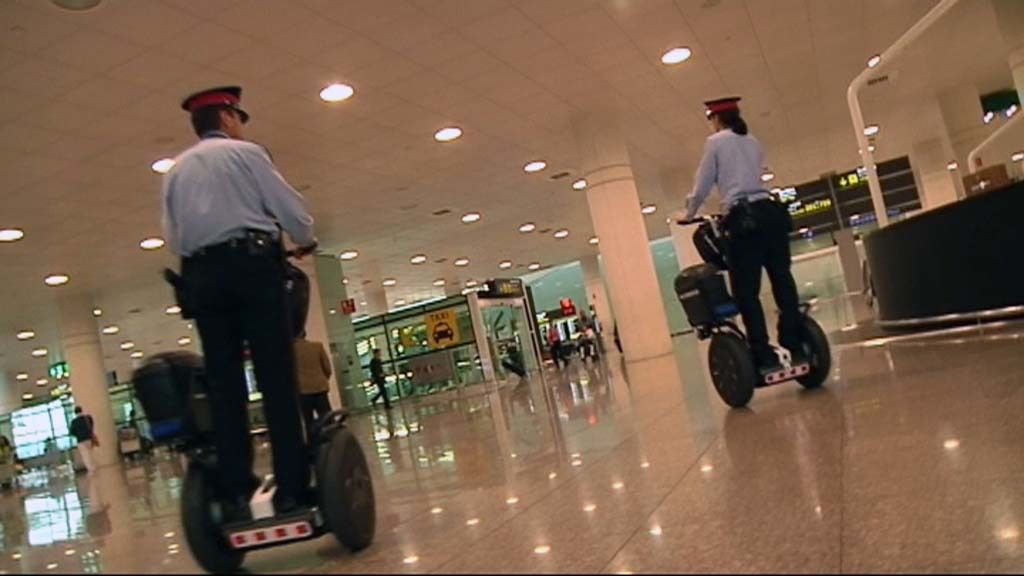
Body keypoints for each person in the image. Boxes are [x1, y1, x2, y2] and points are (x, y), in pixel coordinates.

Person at [161, 86, 318, 516]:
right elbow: (289, 209)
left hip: (202, 277)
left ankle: (234, 491)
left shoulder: (174, 171)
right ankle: (290, 488)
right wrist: (305, 239)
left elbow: (173, 237)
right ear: (228, 119)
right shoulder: (246, 154)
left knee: (224, 385)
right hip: (252, 271)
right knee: (275, 378)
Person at [684, 96, 804, 370]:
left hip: (743, 222)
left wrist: (689, 213)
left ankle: (762, 352)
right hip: (771, 215)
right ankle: (794, 342)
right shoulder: (752, 140)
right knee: (783, 280)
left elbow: (703, 183)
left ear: (715, 119)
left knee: (746, 293)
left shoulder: (715, 142)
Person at [294, 331, 333, 436]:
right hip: (320, 388)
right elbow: (327, 368)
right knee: (327, 418)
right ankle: (332, 441)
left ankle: (314, 446)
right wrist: (322, 379)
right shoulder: (317, 346)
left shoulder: (290, 352)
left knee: (308, 421)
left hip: (303, 390)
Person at [69, 406, 98, 474]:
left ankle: (91, 469)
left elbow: (72, 432)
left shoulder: (74, 422)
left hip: (81, 440)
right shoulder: (88, 418)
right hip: (89, 438)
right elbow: (91, 426)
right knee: (91, 453)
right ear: (81, 410)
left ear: (75, 413)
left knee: (85, 455)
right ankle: (94, 466)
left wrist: (78, 435)